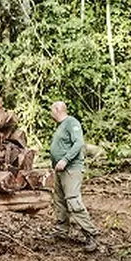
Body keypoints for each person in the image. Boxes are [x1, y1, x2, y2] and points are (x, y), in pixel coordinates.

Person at [49, 101, 99, 252]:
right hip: (60, 170)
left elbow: (79, 143)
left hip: (71, 169)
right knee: (59, 201)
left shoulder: (71, 122)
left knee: (73, 201)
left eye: (52, 110)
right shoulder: (61, 126)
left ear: (57, 109)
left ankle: (91, 234)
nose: (50, 114)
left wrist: (65, 159)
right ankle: (61, 232)